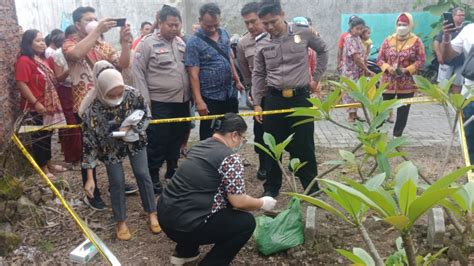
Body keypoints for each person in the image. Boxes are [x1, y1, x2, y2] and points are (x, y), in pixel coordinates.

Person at [157, 113, 277, 265]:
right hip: (186, 226)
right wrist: (262, 203)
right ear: (234, 135)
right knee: (246, 223)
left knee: (208, 199)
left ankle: (184, 252)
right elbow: (239, 202)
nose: (241, 142)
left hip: (165, 216)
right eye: (242, 138)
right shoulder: (230, 158)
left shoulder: (200, 146)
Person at [252, 0, 328, 197]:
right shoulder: (261, 41)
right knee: (272, 145)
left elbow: (323, 50)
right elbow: (258, 74)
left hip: (301, 98)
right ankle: (271, 188)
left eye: (273, 22)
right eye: (265, 23)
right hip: (274, 99)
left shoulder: (303, 32)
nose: (269, 27)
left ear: (283, 14)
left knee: (304, 145)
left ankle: (311, 188)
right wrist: (257, 104)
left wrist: (316, 78)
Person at [63, 6, 136, 210]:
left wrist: (124, 43)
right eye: (89, 19)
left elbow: (122, 64)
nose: (95, 22)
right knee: (90, 148)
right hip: (85, 106)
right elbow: (75, 54)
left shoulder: (103, 44)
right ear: (78, 24)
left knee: (113, 143)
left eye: (96, 19)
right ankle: (92, 192)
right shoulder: (70, 42)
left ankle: (116, 184)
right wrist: (96, 30)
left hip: (108, 103)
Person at [81, 61, 160, 241]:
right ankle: (120, 220)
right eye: (111, 94)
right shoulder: (91, 110)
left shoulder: (132, 94)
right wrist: (90, 178)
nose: (117, 97)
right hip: (109, 147)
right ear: (101, 91)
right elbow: (89, 144)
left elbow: (146, 115)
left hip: (134, 140)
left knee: (142, 173)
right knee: (116, 181)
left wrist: (134, 129)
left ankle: (152, 212)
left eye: (120, 92)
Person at [133, 5, 191, 194]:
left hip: (181, 101)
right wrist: (144, 99)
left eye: (177, 25)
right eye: (170, 25)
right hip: (159, 102)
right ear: (161, 24)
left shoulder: (181, 43)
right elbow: (138, 72)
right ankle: (153, 176)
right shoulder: (147, 43)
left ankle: (172, 172)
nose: (174, 28)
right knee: (158, 139)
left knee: (178, 136)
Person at [185, 3, 245, 141]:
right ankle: (209, 160)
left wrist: (237, 80)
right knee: (210, 131)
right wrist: (199, 101)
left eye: (215, 25)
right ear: (200, 21)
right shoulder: (193, 43)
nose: (212, 28)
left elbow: (228, 58)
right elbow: (193, 74)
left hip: (229, 93)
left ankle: (231, 158)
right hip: (210, 97)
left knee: (231, 128)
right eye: (208, 25)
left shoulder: (224, 33)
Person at [15, 29, 67, 178]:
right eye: (38, 41)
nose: (42, 43)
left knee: (47, 135)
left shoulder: (40, 60)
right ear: (28, 43)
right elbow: (22, 83)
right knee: (39, 138)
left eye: (42, 40)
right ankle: (43, 169)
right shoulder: (24, 61)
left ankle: (49, 163)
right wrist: (36, 103)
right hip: (34, 107)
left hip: (47, 106)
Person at [376, 12, 426, 137]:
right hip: (388, 82)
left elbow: (421, 60)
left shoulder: (416, 41)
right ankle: (377, 135)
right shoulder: (388, 40)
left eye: (404, 24)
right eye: (399, 24)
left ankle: (397, 136)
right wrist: (388, 68)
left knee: (403, 111)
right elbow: (379, 59)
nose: (401, 27)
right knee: (381, 110)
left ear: (410, 26)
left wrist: (407, 69)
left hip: (406, 83)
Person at [237, 2, 267, 180]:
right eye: (246, 23)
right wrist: (251, 89)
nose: (250, 26)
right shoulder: (243, 43)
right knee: (261, 133)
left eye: (253, 21)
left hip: (279, 92)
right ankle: (264, 165)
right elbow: (245, 72)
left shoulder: (274, 37)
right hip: (259, 96)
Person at [440, 15, 474, 164]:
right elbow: (448, 56)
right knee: (469, 139)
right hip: (470, 95)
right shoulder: (469, 30)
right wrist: (446, 37)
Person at [51, 26, 82, 171]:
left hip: (82, 89)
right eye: (74, 37)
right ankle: (75, 157)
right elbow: (57, 78)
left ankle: (90, 153)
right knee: (72, 124)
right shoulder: (58, 54)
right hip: (67, 91)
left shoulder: (83, 47)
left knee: (85, 121)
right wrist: (70, 68)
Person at [341, 17, 373, 123]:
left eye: (361, 29)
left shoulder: (357, 38)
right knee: (350, 94)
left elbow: (362, 55)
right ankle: (351, 116)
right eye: (357, 29)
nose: (359, 31)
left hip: (358, 73)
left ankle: (355, 115)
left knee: (357, 93)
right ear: (351, 27)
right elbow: (356, 58)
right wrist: (366, 69)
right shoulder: (350, 39)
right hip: (351, 73)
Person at [434, 7, 465, 94]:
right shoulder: (447, 28)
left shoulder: (465, 29)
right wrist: (439, 55)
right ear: (453, 16)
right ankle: (442, 100)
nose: (462, 17)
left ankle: (455, 102)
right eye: (459, 15)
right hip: (446, 61)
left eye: (463, 15)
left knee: (458, 83)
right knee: (443, 82)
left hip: (461, 62)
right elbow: (436, 41)